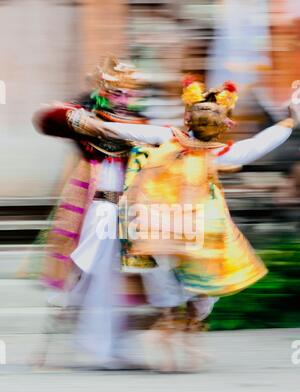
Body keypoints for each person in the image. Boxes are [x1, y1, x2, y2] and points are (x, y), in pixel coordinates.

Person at [66, 76, 298, 371]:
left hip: (192, 231)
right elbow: (255, 146)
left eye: (215, 113)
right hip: (165, 228)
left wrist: (288, 123)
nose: (208, 117)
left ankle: (177, 329)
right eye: (203, 112)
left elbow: (255, 146)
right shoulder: (172, 138)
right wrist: (88, 123)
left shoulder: (211, 149)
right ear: (188, 116)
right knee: (174, 282)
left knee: (201, 288)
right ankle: (170, 329)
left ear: (226, 123)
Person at [33, 57, 152, 369]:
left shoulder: (141, 125)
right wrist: (87, 122)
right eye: (117, 93)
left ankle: (113, 349)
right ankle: (80, 345)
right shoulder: (86, 119)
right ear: (103, 91)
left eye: (129, 93)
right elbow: (46, 117)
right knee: (85, 272)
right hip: (95, 208)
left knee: (120, 277)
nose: (124, 99)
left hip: (127, 212)